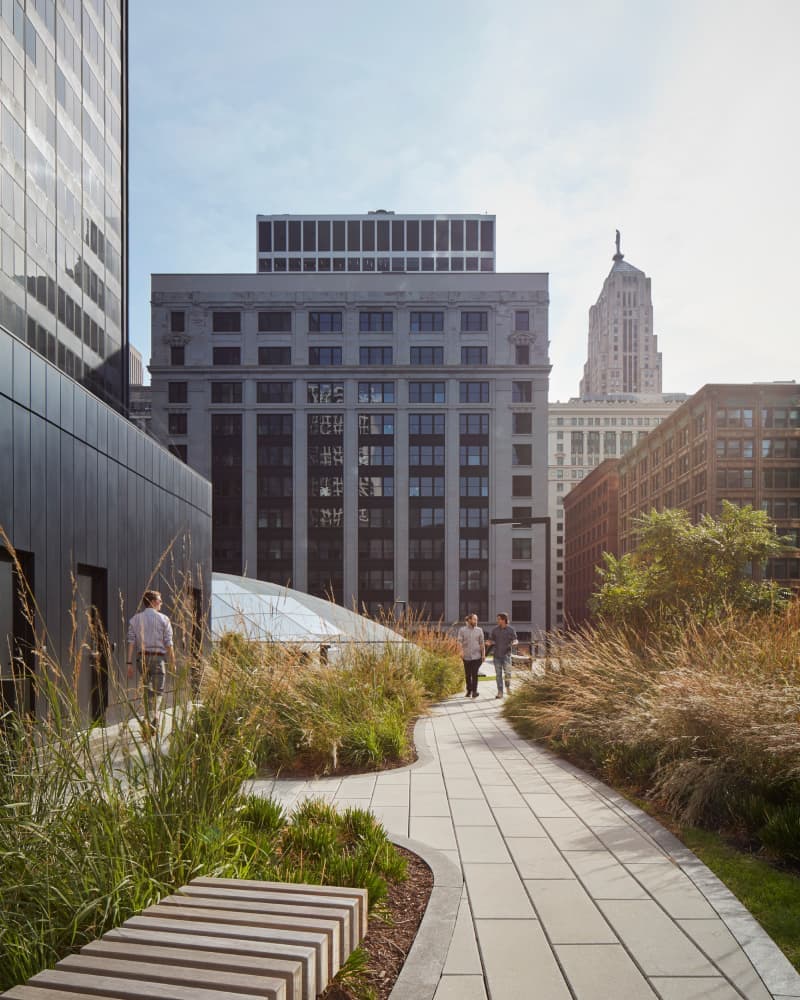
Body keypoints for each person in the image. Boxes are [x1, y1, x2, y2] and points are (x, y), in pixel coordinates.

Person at [126, 589, 175, 730]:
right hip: (158, 658)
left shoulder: (135, 619)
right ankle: (155, 716)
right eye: (160, 601)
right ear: (153, 602)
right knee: (158, 690)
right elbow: (169, 643)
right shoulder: (164, 619)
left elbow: (131, 642)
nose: (161, 604)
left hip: (142, 659)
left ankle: (148, 718)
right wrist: (172, 662)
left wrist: (129, 663)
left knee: (147, 689)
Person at [487, 612, 518, 698]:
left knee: (508, 673)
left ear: (504, 620)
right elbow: (491, 640)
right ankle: (500, 692)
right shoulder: (494, 630)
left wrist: (515, 642)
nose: (497, 621)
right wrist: (489, 642)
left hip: (506, 655)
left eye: (499, 619)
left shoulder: (511, 629)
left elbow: (515, 639)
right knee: (498, 674)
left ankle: (507, 687)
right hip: (497, 655)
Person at [456, 613, 485, 698]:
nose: (476, 621)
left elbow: (482, 643)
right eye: (474, 619)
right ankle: (469, 690)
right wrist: (461, 651)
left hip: (477, 656)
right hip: (466, 656)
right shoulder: (462, 630)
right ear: (469, 620)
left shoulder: (479, 630)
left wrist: (483, 655)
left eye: (476, 619)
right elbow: (459, 642)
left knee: (474, 673)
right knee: (468, 674)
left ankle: (474, 691)